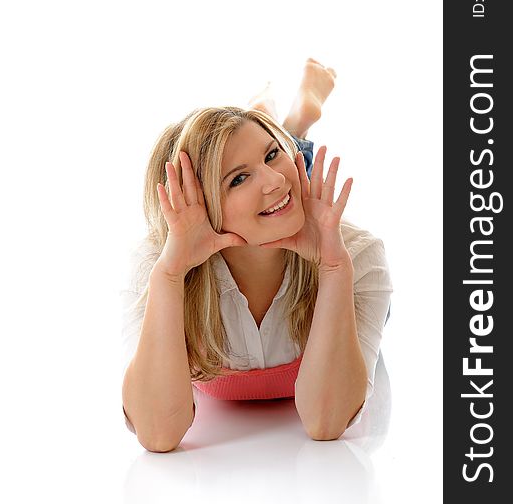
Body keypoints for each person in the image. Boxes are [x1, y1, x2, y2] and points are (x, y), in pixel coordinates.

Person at [120, 58, 393, 452]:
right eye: (238, 178)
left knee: (287, 180)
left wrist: (334, 269)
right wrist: (170, 276)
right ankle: (285, 124)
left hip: (323, 254)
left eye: (271, 154)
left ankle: (286, 127)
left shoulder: (357, 254)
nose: (277, 178)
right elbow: (158, 434)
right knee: (273, 183)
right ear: (203, 206)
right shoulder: (155, 265)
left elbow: (326, 422)